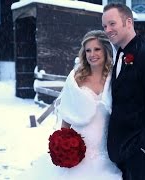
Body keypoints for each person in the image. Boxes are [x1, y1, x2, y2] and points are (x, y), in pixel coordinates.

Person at [17, 30, 122, 180]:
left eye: (97, 49)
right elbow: (66, 116)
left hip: (105, 154)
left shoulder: (115, 79)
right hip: (78, 152)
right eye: (88, 50)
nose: (92, 54)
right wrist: (63, 144)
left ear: (106, 50)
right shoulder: (75, 80)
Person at [102, 3, 145, 180]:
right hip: (121, 152)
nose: (107, 30)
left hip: (141, 156)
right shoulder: (119, 54)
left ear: (128, 22)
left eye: (112, 24)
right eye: (104, 26)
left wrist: (144, 149)